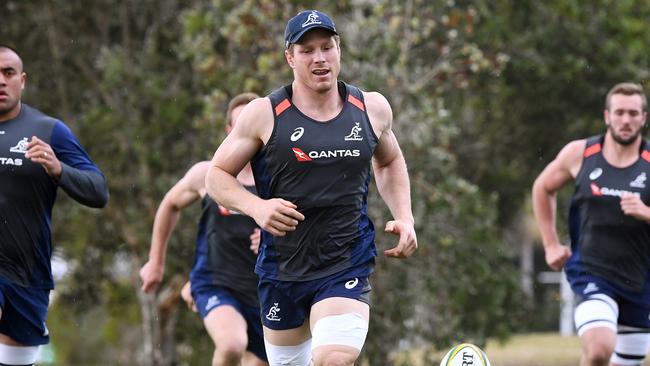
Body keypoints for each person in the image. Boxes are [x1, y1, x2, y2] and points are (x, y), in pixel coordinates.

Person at [205, 10, 418, 366]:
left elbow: (389, 160)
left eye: (327, 47)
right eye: (307, 50)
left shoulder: (371, 109)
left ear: (339, 50)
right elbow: (216, 176)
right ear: (290, 57)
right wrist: (257, 207)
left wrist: (405, 217)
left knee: (333, 359)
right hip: (282, 270)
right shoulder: (264, 114)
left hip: (345, 262)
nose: (319, 58)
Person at [139, 92, 268, 366]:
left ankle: (191, 290)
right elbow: (170, 204)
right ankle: (195, 288)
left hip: (261, 291)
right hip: (215, 282)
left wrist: (273, 237)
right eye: (240, 123)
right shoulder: (208, 174)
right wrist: (155, 261)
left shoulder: (279, 182)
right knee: (233, 345)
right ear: (230, 131)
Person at [0, 45, 109, 365]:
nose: (1, 81)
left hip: (28, 274)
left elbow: (98, 190)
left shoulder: (48, 131)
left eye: (8, 73)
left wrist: (58, 169)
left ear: (23, 80)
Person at [532, 82, 650, 366]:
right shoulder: (581, 153)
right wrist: (550, 244)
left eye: (633, 113)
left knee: (624, 362)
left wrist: (646, 212)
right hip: (592, 272)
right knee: (599, 350)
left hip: (641, 280)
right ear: (607, 116)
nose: (625, 120)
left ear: (643, 118)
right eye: (619, 112)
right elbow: (542, 187)